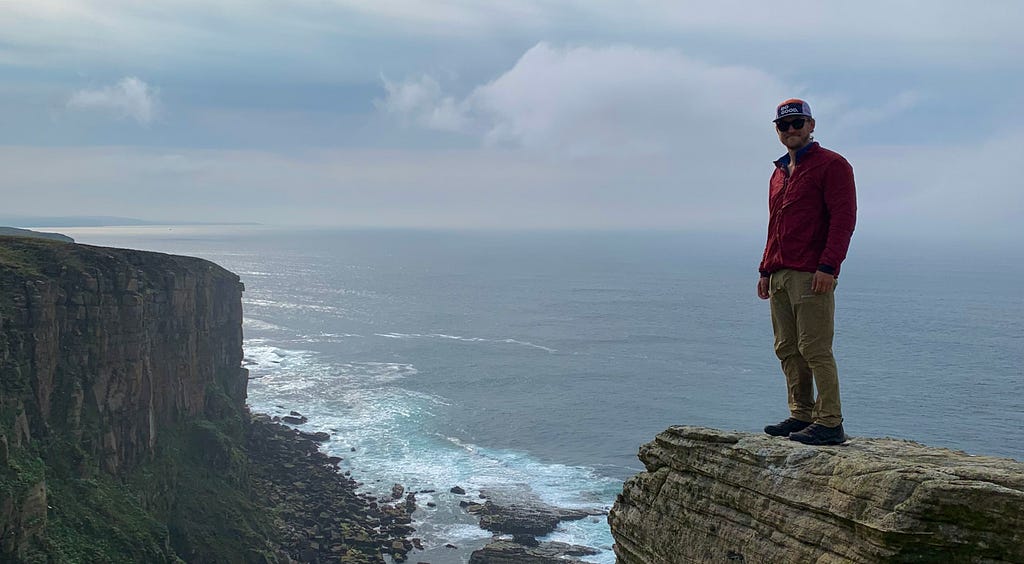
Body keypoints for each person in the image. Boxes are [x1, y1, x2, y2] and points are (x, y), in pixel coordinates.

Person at [757, 98, 856, 446]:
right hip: (781, 272)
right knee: (786, 347)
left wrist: (829, 266)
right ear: (777, 130)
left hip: (812, 272)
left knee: (814, 348)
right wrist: (765, 269)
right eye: (784, 125)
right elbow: (776, 224)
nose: (791, 130)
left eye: (797, 123)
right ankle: (801, 414)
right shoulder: (779, 171)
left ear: (811, 125)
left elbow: (843, 221)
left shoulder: (833, 165)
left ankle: (829, 422)